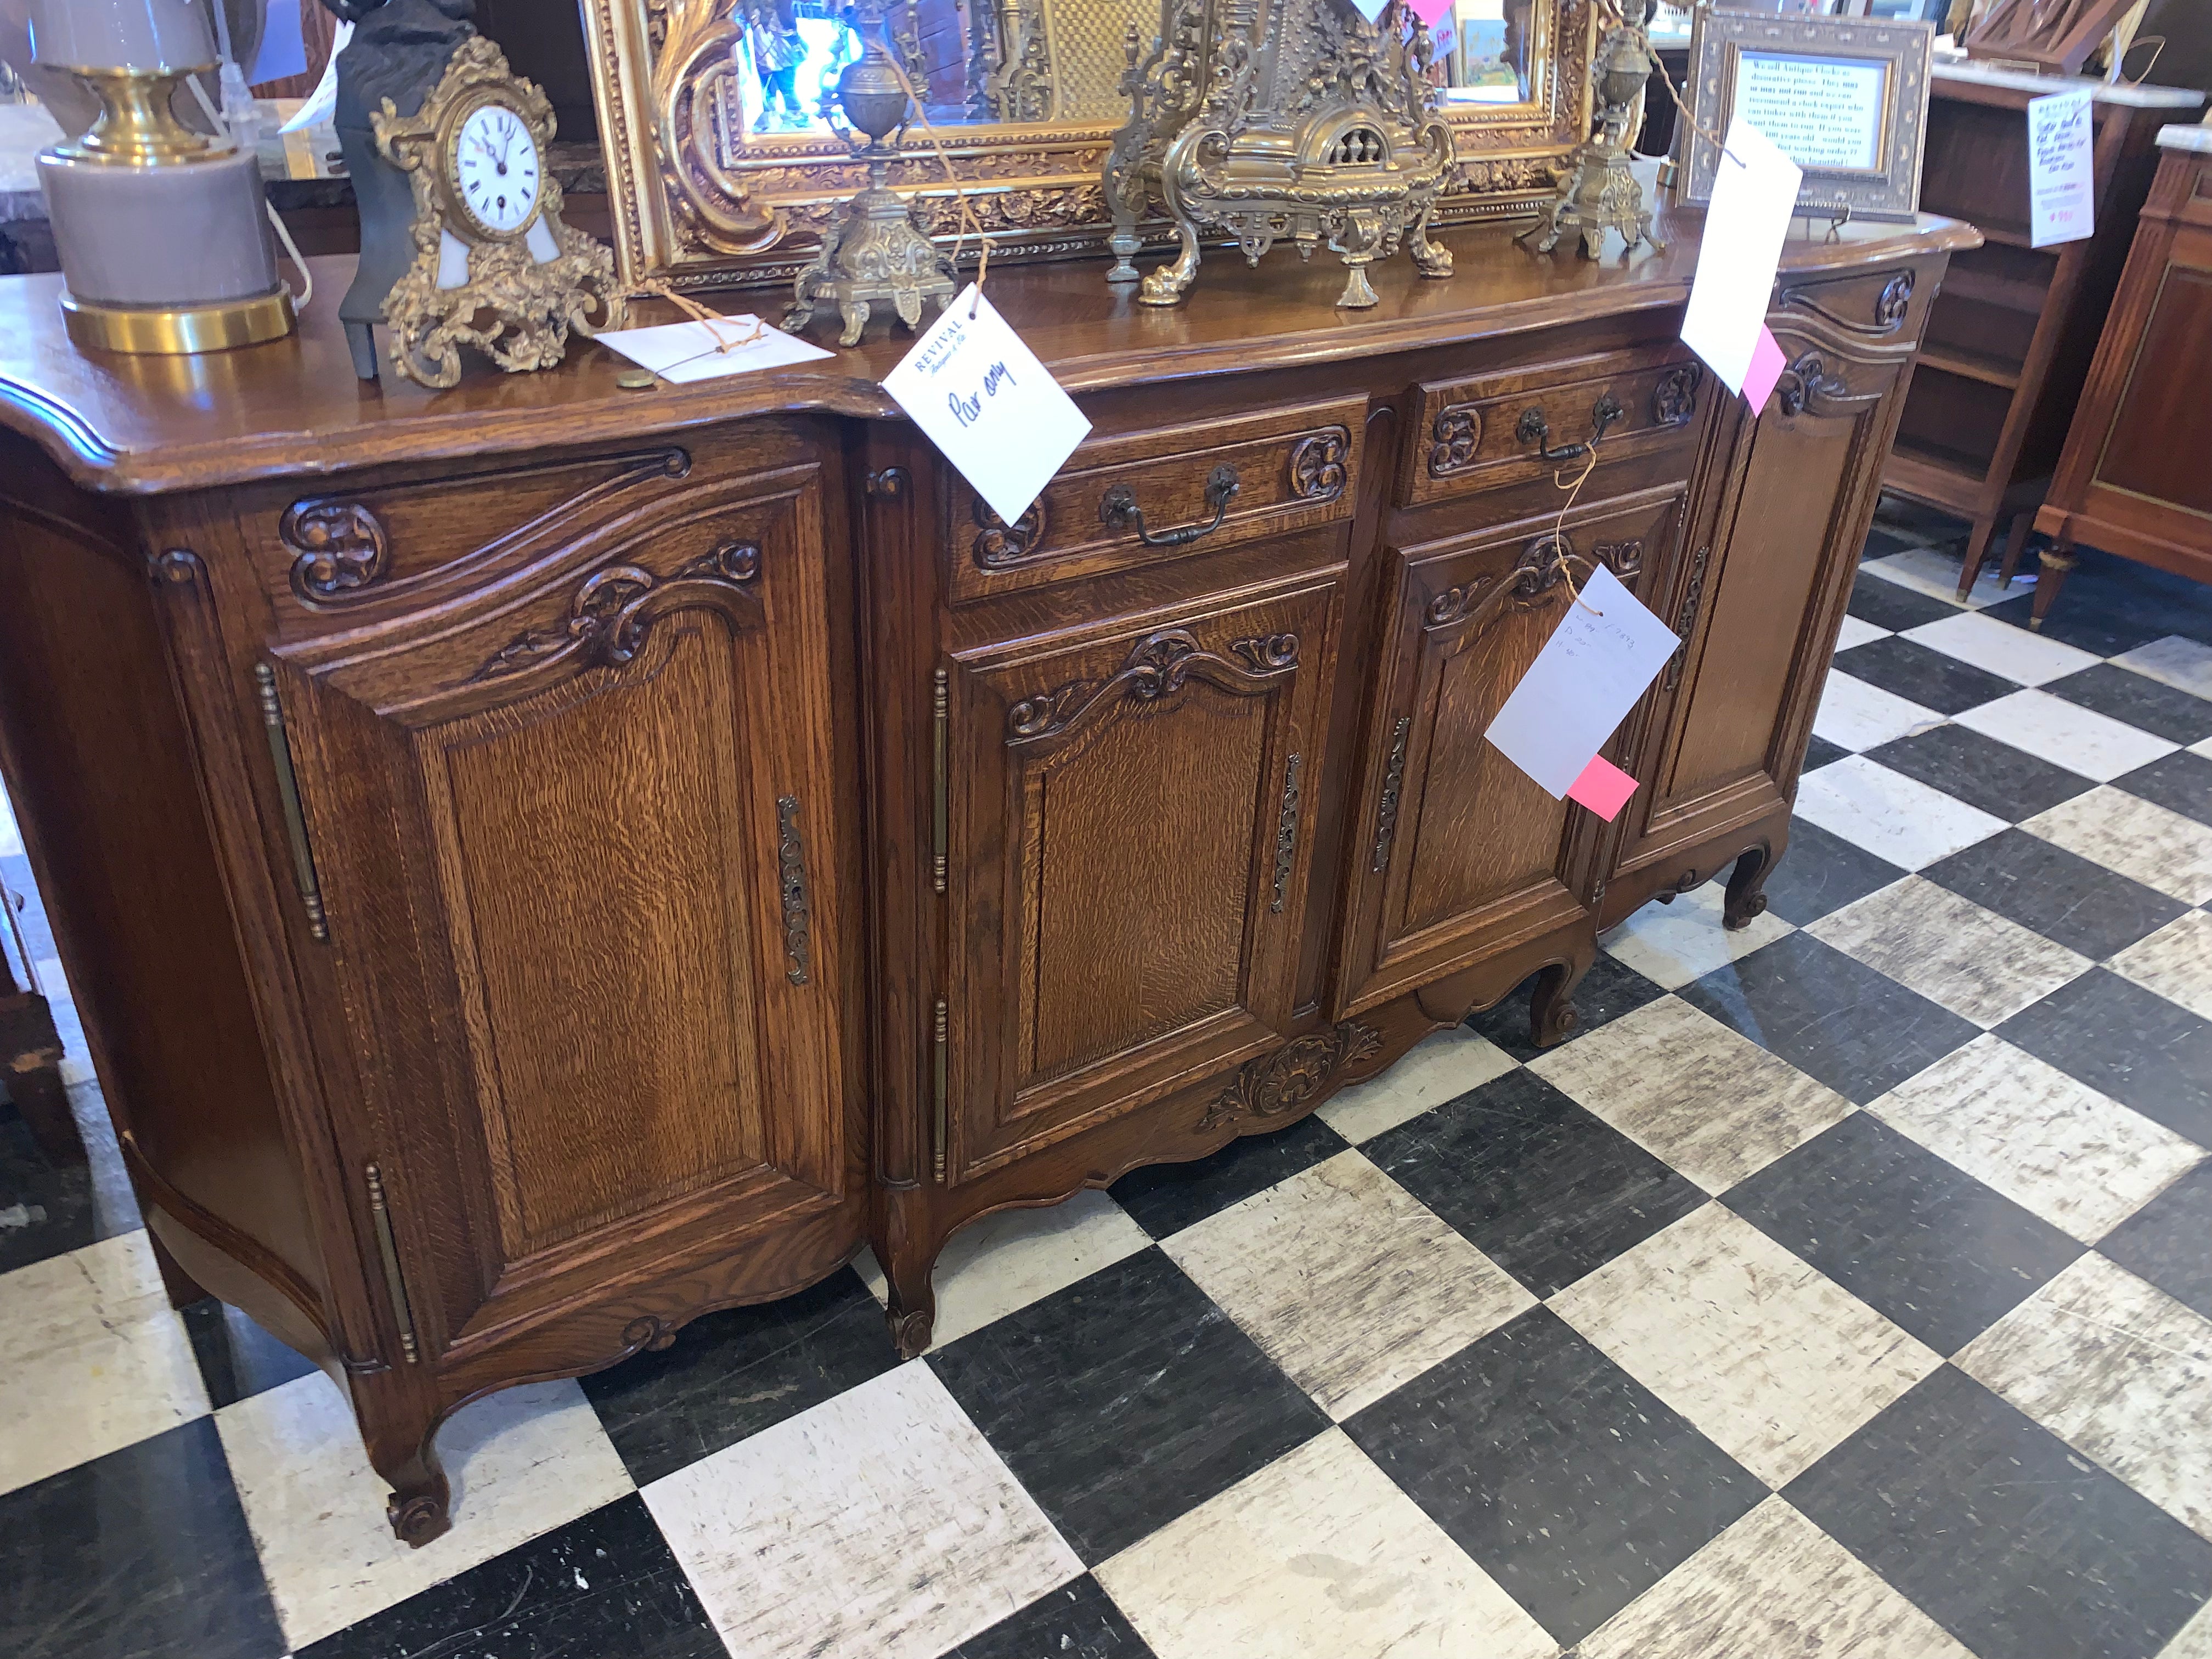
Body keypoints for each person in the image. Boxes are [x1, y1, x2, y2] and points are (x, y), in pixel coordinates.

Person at [744, 0, 806, 131]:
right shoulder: (759, 13)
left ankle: (789, 113)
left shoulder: (771, 12)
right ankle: (776, 114)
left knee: (783, 87)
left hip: (777, 55)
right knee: (775, 88)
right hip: (771, 55)